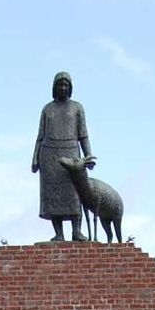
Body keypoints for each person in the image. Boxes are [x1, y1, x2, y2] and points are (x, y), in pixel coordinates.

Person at [31, 71, 93, 241]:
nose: (63, 88)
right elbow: (40, 136)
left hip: (71, 153)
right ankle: (59, 233)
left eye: (66, 85)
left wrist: (88, 155)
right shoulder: (47, 109)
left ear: (70, 87)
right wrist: (35, 158)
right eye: (60, 84)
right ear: (55, 87)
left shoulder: (77, 108)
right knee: (53, 195)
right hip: (49, 155)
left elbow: (83, 135)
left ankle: (76, 230)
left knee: (74, 193)